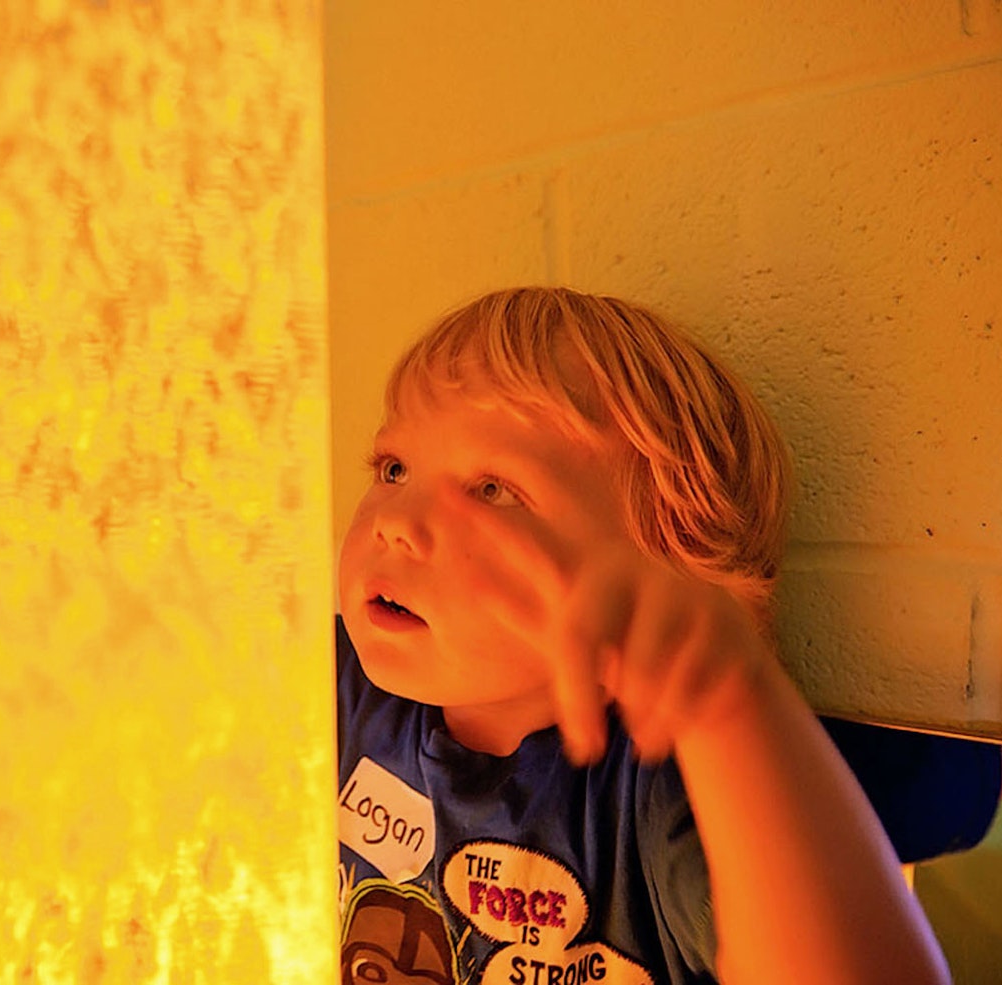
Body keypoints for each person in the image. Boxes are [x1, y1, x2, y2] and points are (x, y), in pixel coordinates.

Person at [335, 287, 959, 984]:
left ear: (668, 574)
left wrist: (729, 698)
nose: (395, 520)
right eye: (394, 469)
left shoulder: (663, 788)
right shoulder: (329, 688)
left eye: (492, 489)